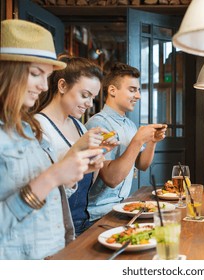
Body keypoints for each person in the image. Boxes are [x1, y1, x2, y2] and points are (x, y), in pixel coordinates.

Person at [0, 19, 103, 259]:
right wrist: (53, 176)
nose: (43, 86)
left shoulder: (28, 128)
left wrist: (72, 175)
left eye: (46, 76)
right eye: (36, 74)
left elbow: (49, 201)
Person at [33, 56, 117, 235]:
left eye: (92, 98)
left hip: (82, 221)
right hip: (55, 229)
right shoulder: (38, 126)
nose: (89, 103)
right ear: (62, 86)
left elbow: (86, 182)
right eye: (85, 95)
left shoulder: (78, 125)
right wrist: (78, 148)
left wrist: (100, 151)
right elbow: (42, 193)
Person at [85, 62, 167, 221]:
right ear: (112, 91)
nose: (138, 96)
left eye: (138, 90)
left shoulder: (129, 124)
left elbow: (142, 165)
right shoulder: (97, 124)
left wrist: (152, 141)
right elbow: (111, 179)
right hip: (98, 215)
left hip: (123, 206)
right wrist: (138, 140)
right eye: (132, 90)